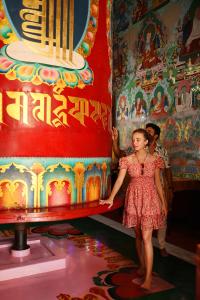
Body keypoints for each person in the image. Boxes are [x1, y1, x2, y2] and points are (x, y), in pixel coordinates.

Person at [100, 128, 167, 290]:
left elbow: (158, 182)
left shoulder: (155, 159)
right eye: (133, 139)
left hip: (150, 199)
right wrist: (111, 197)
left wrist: (163, 202)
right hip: (134, 199)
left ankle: (149, 277)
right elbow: (120, 180)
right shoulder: (127, 160)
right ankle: (143, 266)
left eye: (138, 139)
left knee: (146, 238)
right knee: (138, 235)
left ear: (146, 142)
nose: (134, 142)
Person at [111, 123, 173, 257]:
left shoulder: (161, 152)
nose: (147, 132)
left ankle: (161, 245)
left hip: (155, 189)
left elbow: (167, 170)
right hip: (137, 193)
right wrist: (115, 141)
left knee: (160, 220)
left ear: (154, 136)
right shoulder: (133, 151)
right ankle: (144, 265)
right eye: (146, 131)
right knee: (140, 233)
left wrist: (169, 188)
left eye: (149, 131)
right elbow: (119, 154)